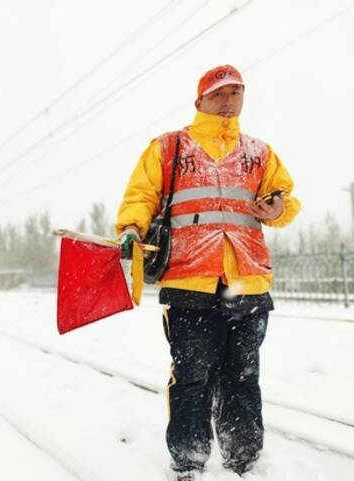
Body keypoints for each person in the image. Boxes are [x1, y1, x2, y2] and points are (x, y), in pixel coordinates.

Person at [116, 65, 300, 480]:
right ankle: (188, 461)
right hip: (188, 280)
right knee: (193, 378)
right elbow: (141, 195)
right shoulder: (170, 147)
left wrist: (278, 208)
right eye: (219, 93)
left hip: (247, 280)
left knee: (243, 377)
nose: (229, 100)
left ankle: (245, 460)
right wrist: (130, 227)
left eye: (236, 92)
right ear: (199, 101)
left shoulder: (260, 152)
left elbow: (284, 198)